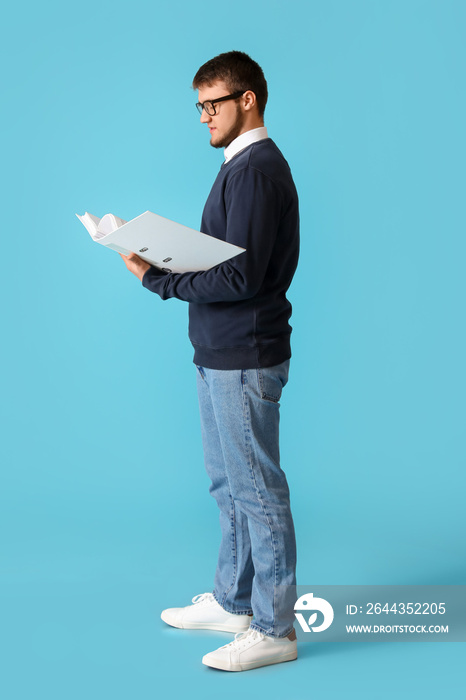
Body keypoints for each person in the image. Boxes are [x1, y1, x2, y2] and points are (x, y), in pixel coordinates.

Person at [120, 50, 300, 672]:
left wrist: (158, 279)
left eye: (212, 104)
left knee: (256, 490)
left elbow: (244, 275)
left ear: (246, 99)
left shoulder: (254, 169)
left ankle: (275, 627)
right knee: (229, 485)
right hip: (221, 352)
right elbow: (226, 263)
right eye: (199, 106)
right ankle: (234, 601)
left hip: (245, 355)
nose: (203, 117)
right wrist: (168, 263)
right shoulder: (240, 167)